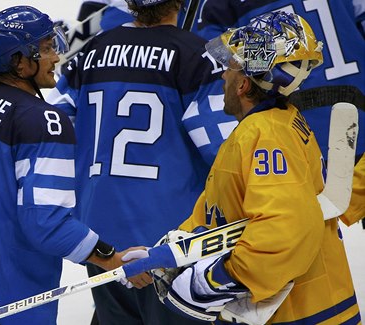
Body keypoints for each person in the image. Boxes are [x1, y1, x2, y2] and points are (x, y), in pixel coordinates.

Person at [0, 6, 151, 324]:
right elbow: (45, 222)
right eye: (47, 48)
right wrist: (110, 258)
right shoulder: (45, 121)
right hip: (13, 298)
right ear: (19, 61)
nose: (57, 57)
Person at [153, 11, 362, 324]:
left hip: (300, 313)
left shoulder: (265, 136)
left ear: (243, 84)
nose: (224, 75)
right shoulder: (277, 121)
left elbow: (284, 229)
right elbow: (228, 208)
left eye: (231, 67)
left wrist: (219, 279)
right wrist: (179, 244)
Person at [47, 0, 235, 323]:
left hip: (102, 246)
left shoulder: (92, 52)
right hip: (172, 248)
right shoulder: (198, 56)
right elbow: (229, 153)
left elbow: (51, 128)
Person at [190, 0, 365, 228]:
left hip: (291, 156)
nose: (225, 75)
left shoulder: (260, 129)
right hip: (323, 149)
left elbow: (217, 75)